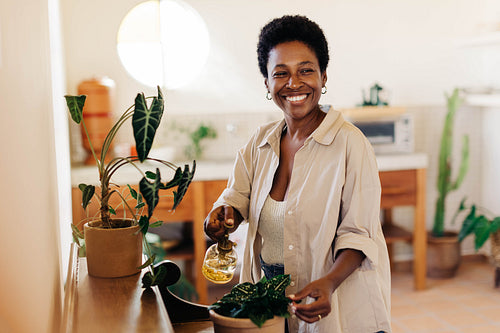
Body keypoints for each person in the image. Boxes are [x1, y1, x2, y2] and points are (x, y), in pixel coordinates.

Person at [204, 15, 391, 333]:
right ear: (267, 83)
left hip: (337, 300)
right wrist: (223, 217)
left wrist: (329, 283)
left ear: (323, 76)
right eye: (281, 73)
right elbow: (237, 197)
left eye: (306, 70)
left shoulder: (350, 145)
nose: (294, 83)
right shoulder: (259, 143)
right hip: (273, 301)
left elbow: (359, 234)